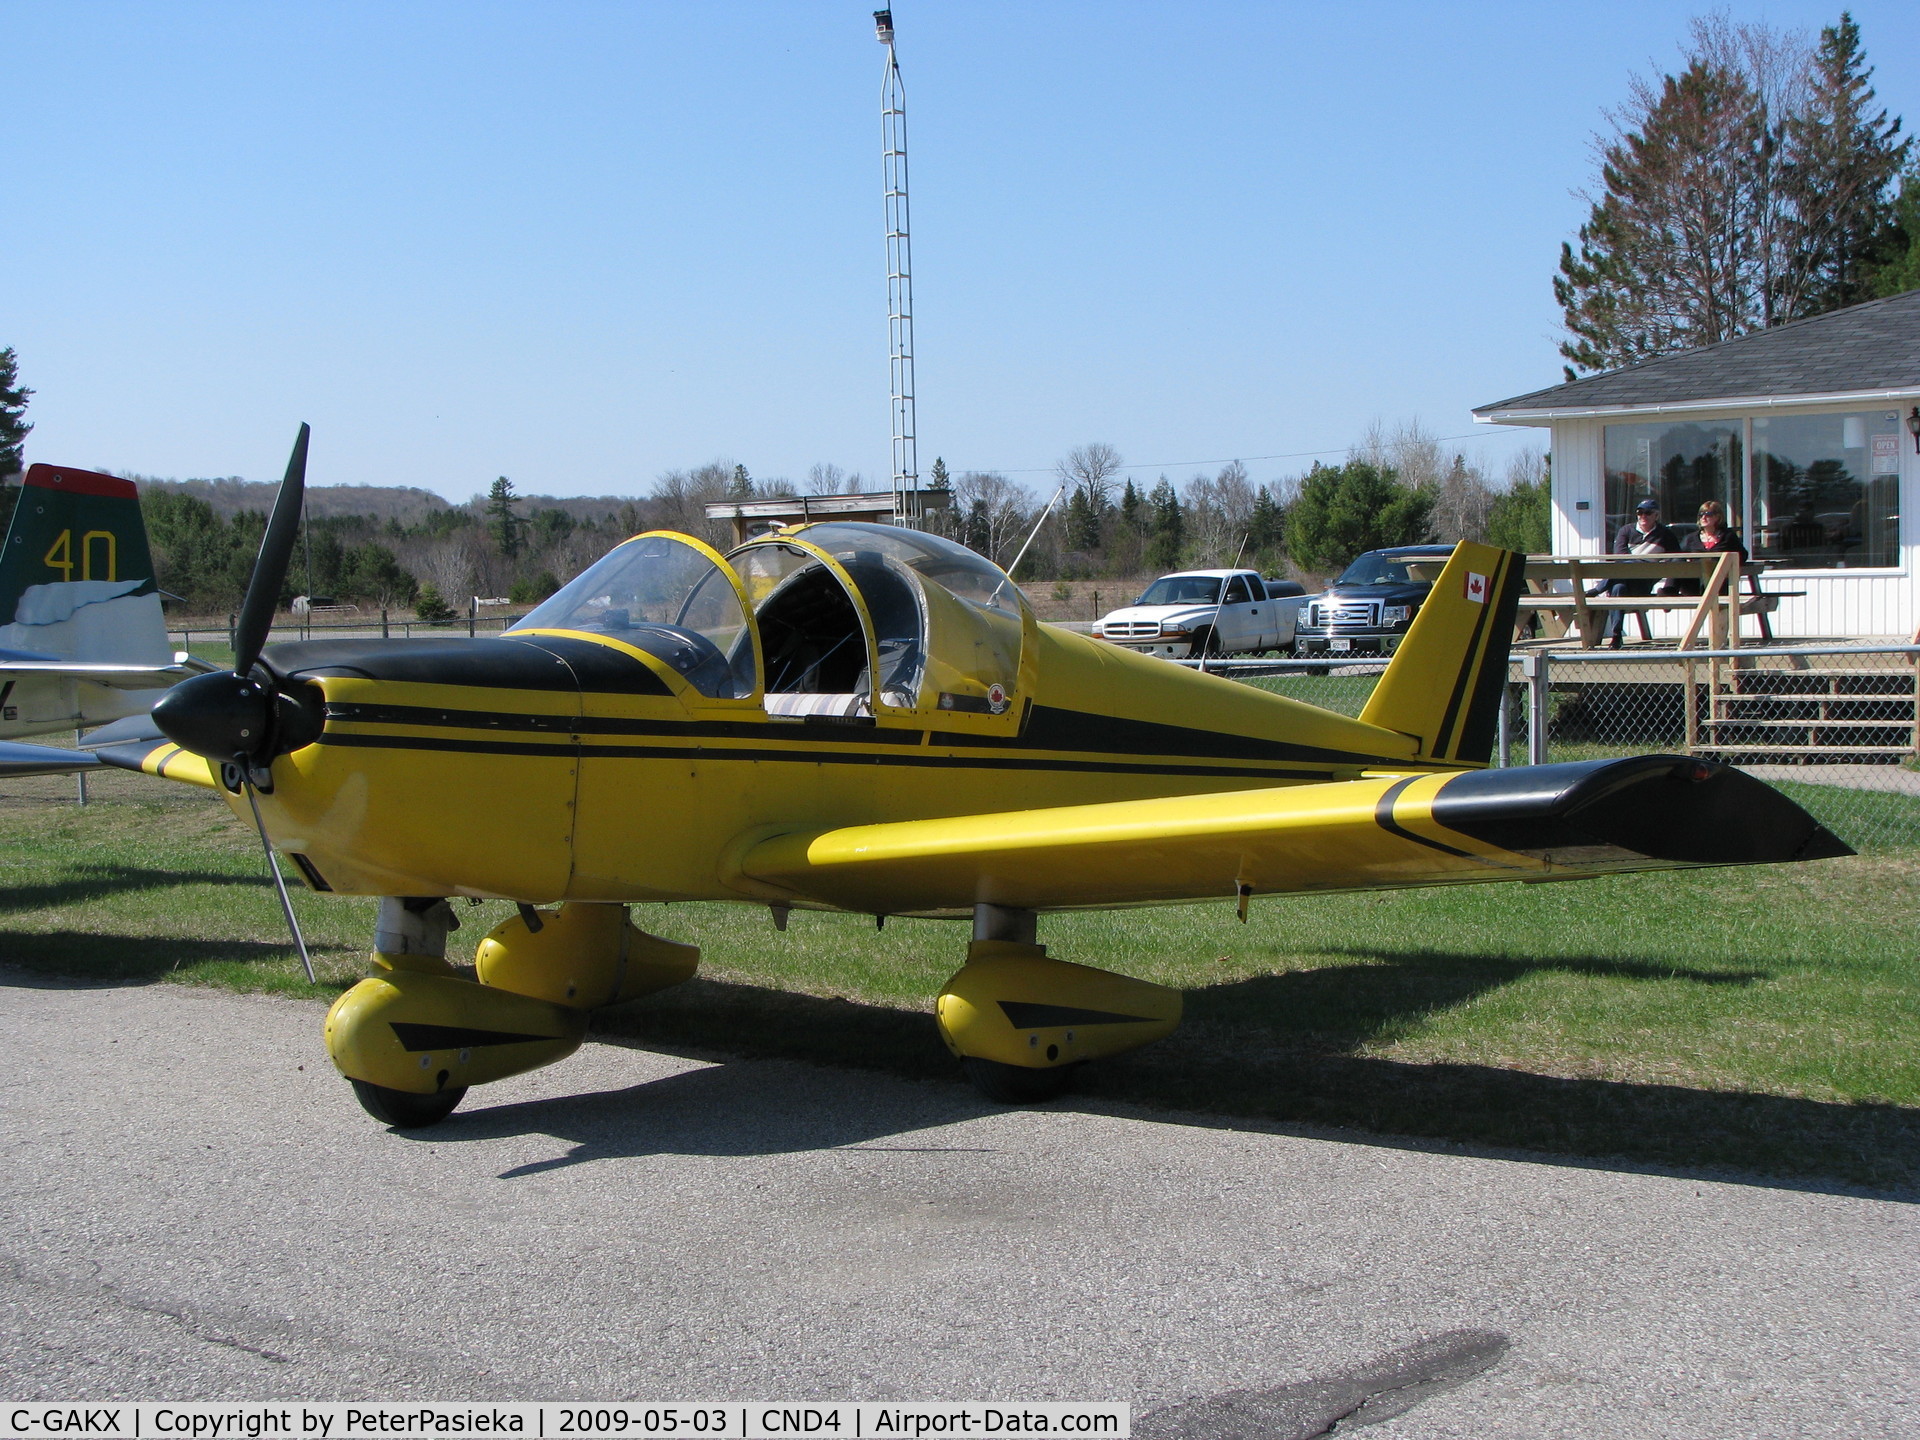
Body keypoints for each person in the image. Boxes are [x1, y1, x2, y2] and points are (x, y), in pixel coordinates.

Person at [1598, 498, 1680, 647]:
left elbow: (1677, 561)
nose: (1643, 516)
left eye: (1647, 513)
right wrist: (1644, 562)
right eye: (1640, 512)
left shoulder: (1665, 535)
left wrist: (1668, 587)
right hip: (1623, 579)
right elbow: (1620, 558)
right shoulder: (1626, 530)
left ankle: (1599, 587)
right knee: (1618, 587)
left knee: (1617, 582)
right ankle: (1617, 635)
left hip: (1644, 583)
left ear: (1656, 515)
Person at [1671, 500, 1747, 595]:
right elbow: (1679, 556)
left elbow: (1742, 555)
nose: (1704, 517)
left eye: (1708, 514)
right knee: (1677, 562)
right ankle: (1669, 590)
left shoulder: (1728, 537)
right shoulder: (1690, 538)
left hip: (1720, 583)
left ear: (1718, 517)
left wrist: (1729, 566)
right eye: (1701, 514)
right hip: (1695, 584)